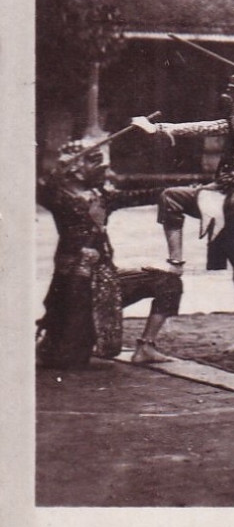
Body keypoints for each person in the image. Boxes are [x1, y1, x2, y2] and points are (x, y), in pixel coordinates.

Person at [133, 70, 234, 357]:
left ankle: (176, 261)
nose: (228, 95)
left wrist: (156, 128)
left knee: (171, 198)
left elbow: (198, 128)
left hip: (230, 198)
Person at [37, 139, 183, 368]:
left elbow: (143, 195)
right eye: (93, 161)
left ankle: (146, 346)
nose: (102, 168)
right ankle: (55, 339)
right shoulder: (59, 196)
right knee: (67, 359)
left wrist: (185, 191)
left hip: (106, 279)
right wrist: (57, 171)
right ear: (75, 169)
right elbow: (42, 187)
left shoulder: (102, 195)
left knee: (168, 282)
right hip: (75, 283)